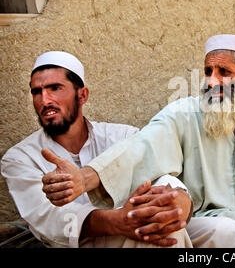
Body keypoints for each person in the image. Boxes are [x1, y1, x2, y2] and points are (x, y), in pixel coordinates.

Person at [41, 35, 235, 248]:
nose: (212, 80)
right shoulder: (184, 113)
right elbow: (140, 149)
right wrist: (85, 178)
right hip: (209, 220)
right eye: (208, 70)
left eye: (224, 72)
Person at [0, 51, 195, 248]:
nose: (44, 100)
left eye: (55, 88)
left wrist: (180, 200)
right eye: (36, 92)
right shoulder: (20, 157)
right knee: (151, 231)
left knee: (211, 229)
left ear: (82, 95)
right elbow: (47, 218)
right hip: (76, 243)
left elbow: (157, 171)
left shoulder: (122, 136)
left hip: (134, 229)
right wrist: (117, 221)